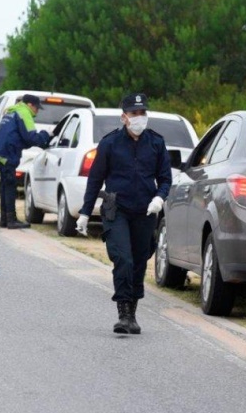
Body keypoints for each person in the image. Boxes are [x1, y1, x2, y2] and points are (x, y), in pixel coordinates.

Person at [76, 93, 171, 335]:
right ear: (124, 117)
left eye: (142, 113)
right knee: (124, 259)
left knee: (139, 261)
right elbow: (95, 179)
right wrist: (85, 213)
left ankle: (133, 312)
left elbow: (165, 178)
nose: (139, 118)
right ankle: (123, 313)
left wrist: (160, 198)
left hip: (145, 210)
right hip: (116, 209)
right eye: (134, 114)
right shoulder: (109, 143)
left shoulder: (156, 143)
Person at [0, 94, 51, 229]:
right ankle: (11, 220)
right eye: (36, 108)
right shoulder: (24, 113)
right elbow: (31, 137)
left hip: (0, 151)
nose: (37, 111)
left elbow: (19, 137)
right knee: (10, 186)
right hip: (7, 153)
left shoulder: (12, 112)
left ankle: (4, 219)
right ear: (29, 105)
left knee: (5, 185)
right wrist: (45, 136)